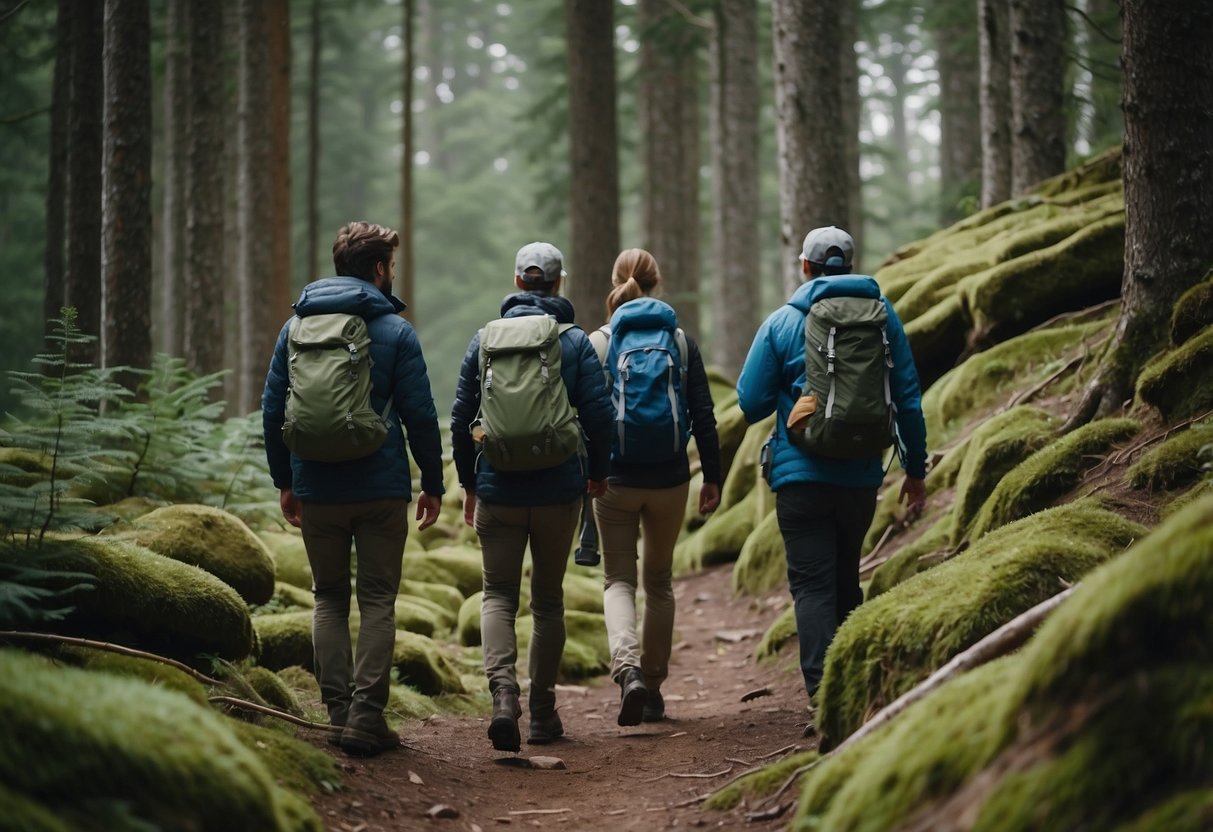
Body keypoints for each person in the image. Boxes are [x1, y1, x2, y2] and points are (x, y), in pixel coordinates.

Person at [262, 221, 445, 756]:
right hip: (381, 488)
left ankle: (337, 714)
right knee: (378, 600)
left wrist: (285, 482)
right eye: (391, 263)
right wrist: (431, 483)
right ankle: (368, 715)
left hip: (316, 485)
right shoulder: (396, 332)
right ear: (379, 269)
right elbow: (420, 417)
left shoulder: (293, 330)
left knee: (328, 600)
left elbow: (273, 413)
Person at [736, 225, 927, 730]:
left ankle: (824, 697)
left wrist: (793, 401)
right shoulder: (885, 319)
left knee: (813, 586)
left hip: (800, 479)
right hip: (861, 476)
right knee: (846, 579)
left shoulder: (782, 322)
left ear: (806, 268)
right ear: (851, 265)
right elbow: (907, 399)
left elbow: (750, 402)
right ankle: (857, 688)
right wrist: (916, 470)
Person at [450, 241, 613, 752]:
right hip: (558, 489)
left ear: (518, 282)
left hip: (497, 486)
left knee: (497, 595)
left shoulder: (484, 340)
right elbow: (600, 415)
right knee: (547, 601)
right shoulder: (574, 341)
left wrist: (469, 484)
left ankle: (503, 697)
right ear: (557, 283)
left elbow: (460, 420)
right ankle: (542, 714)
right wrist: (598, 474)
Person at [588, 248, 722, 726]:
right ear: (656, 284)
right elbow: (704, 415)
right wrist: (713, 476)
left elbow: (586, 419)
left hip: (614, 482)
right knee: (660, 582)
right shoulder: (681, 343)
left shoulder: (598, 344)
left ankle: (627, 671)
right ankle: (655, 685)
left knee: (618, 580)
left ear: (614, 281)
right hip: (670, 478)